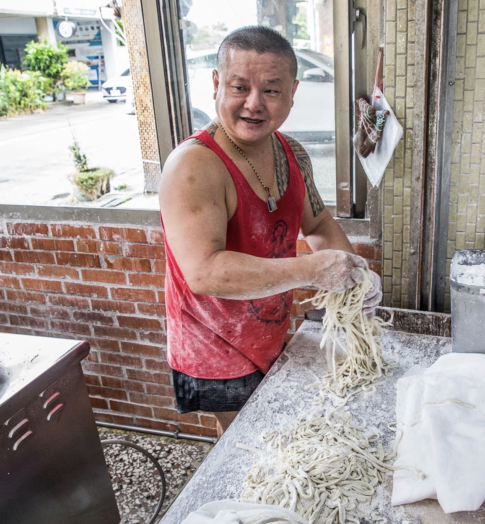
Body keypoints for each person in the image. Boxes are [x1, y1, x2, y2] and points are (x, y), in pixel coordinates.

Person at [159, 26, 383, 437]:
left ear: (293, 92)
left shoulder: (292, 153)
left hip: (269, 332)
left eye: (272, 91)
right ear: (216, 84)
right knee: (253, 452)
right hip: (216, 348)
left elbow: (317, 224)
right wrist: (313, 271)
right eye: (239, 87)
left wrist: (354, 277)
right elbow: (204, 272)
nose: (254, 104)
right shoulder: (194, 166)